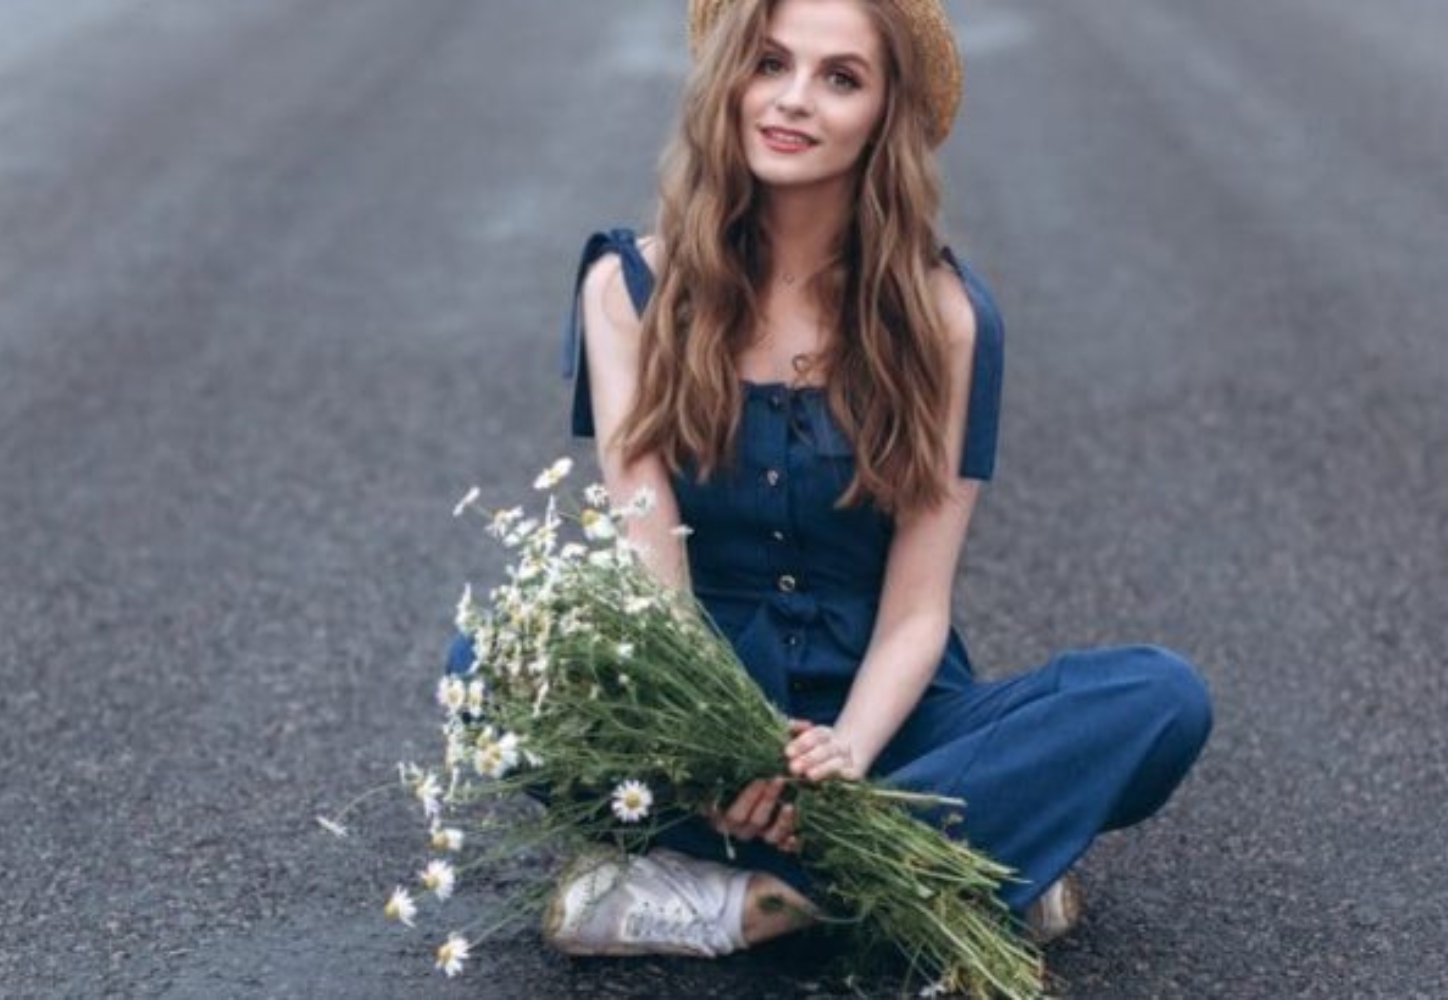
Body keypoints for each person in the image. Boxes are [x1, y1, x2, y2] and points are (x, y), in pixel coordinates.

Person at [451, 0, 1213, 961]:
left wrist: (846, 754)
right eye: (771, 63)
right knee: (486, 661)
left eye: (840, 78)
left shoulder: (945, 321)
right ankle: (956, 871)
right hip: (700, 704)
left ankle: (752, 898)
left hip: (891, 722)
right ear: (730, 77)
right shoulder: (631, 290)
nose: (794, 100)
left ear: (885, 116)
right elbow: (656, 580)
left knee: (1160, 698)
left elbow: (916, 611)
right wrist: (714, 755)